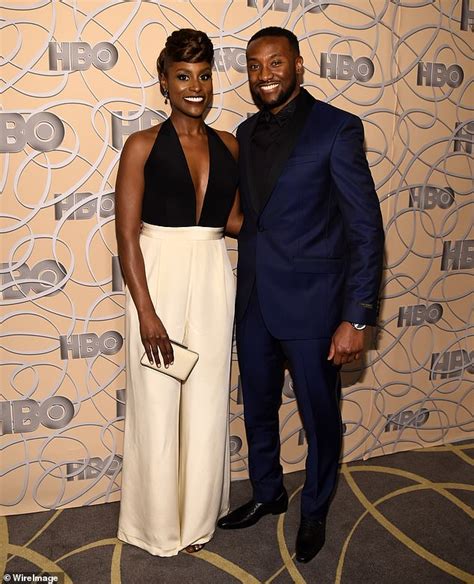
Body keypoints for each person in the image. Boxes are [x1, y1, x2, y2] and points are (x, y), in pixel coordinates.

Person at [217, 27, 384, 564]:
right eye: (254, 65)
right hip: (255, 302)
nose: (264, 74)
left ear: (298, 66)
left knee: (319, 416)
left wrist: (356, 319)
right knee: (258, 409)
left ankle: (315, 508)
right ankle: (268, 493)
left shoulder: (337, 129)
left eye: (275, 63)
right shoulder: (244, 131)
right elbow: (253, 218)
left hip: (316, 307)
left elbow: (365, 230)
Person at [115, 28, 241, 557]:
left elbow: (233, 222)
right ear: (164, 83)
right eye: (184, 77)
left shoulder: (231, 145)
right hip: (158, 278)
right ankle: (157, 526)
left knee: (208, 401)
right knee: (158, 402)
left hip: (213, 275)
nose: (196, 87)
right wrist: (147, 312)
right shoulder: (142, 144)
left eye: (205, 76)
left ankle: (196, 522)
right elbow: (126, 234)